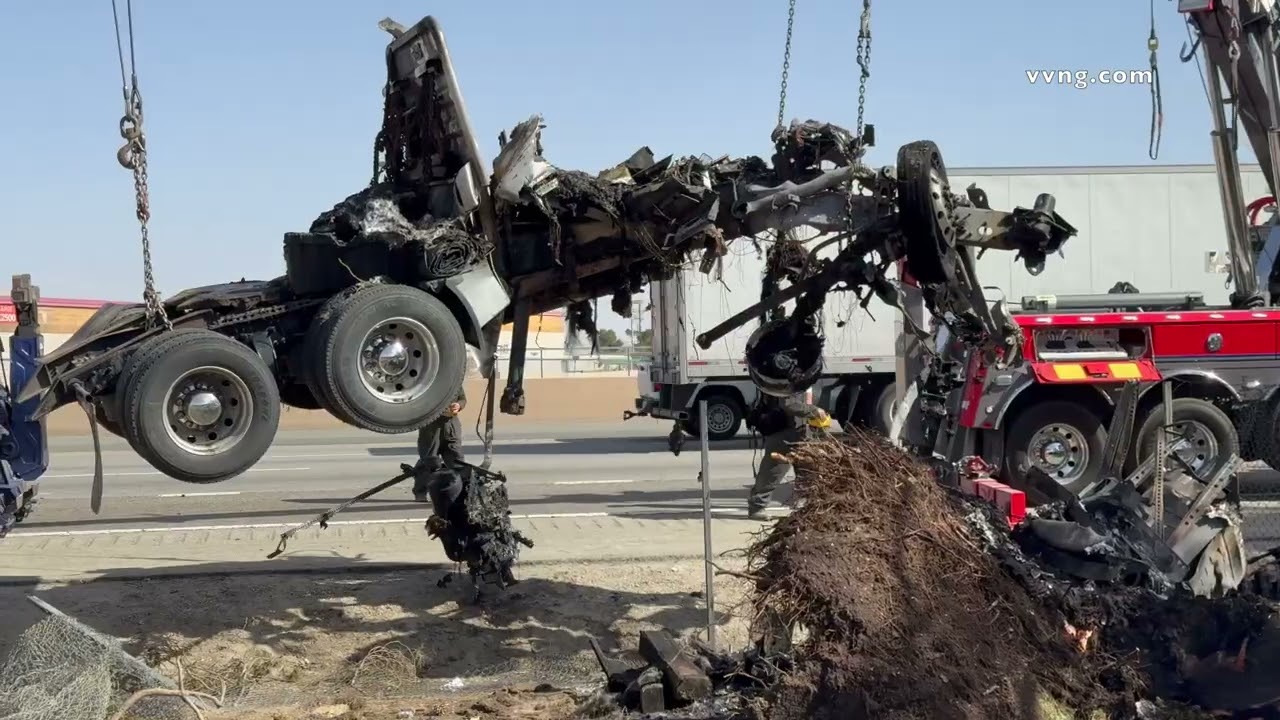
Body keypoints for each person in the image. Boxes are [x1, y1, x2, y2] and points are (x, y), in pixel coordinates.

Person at [746, 389, 829, 519]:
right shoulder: (789, 379)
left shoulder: (805, 380)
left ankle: (802, 504)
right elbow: (788, 404)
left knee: (807, 469)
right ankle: (757, 506)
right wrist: (814, 411)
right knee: (773, 470)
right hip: (784, 431)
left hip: (802, 430)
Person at [412, 387, 467, 502]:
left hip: (450, 428)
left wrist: (458, 405)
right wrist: (439, 410)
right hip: (431, 429)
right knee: (428, 461)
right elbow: (417, 402)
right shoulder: (428, 381)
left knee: (457, 461)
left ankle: (460, 492)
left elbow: (462, 399)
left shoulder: (454, 380)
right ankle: (421, 492)